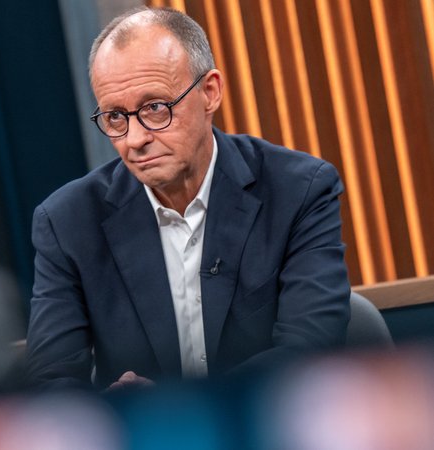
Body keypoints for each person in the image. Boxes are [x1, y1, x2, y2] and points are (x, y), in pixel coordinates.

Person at [25, 6, 350, 390]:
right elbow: (51, 383)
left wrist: (180, 410)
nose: (135, 139)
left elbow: (309, 354)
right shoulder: (67, 222)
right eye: (115, 117)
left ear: (209, 92)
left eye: (155, 109)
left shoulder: (298, 190)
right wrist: (111, 412)